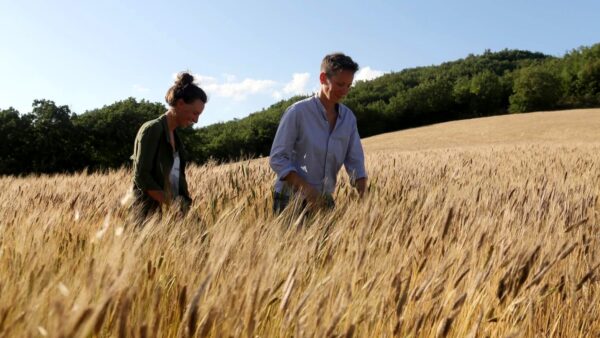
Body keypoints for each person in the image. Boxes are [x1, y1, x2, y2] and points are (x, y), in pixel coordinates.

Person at [269, 53, 367, 214]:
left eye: (349, 85)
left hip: (324, 199)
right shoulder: (298, 112)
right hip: (290, 200)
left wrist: (366, 200)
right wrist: (306, 189)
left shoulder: (348, 119)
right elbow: (277, 158)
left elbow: (355, 162)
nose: (344, 91)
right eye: (340, 84)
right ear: (323, 78)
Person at [130, 72, 207, 225]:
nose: (196, 120)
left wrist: (185, 209)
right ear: (180, 104)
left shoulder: (176, 138)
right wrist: (172, 204)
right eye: (194, 113)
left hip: (174, 215)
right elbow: (142, 176)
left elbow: (176, 180)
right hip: (148, 216)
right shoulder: (152, 129)